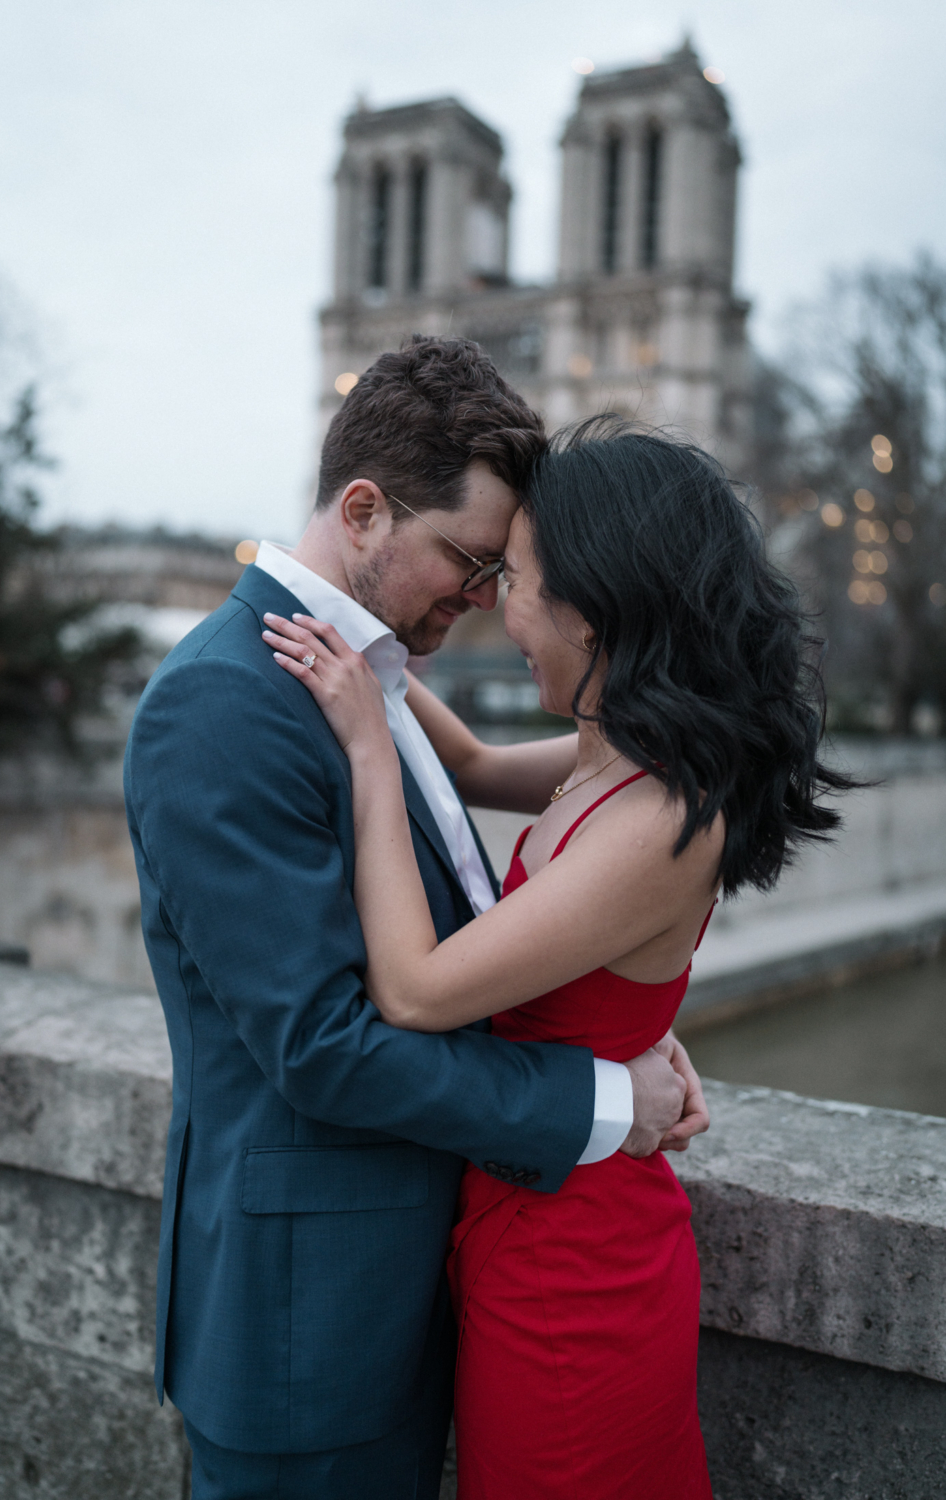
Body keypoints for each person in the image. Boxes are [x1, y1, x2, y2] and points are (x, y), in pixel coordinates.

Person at [124, 342, 705, 1500]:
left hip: (403, 1301)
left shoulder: (358, 679)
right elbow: (321, 1048)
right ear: (363, 510)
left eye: (500, 572)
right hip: (305, 1337)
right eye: (467, 559)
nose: (485, 597)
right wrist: (602, 1096)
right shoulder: (223, 705)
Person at [264, 415, 854, 1499]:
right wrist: (355, 637)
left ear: (596, 605)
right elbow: (481, 763)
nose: (497, 604)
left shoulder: (662, 812)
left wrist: (364, 749)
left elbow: (413, 989)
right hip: (528, 1219)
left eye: (519, 580)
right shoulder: (612, 753)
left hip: (575, 1281)